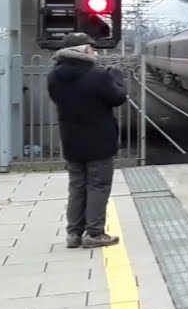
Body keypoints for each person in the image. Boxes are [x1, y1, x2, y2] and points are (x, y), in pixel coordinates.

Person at [47, 32, 128, 249]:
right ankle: (94, 233)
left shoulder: (53, 76)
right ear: (83, 50)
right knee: (98, 186)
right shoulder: (98, 76)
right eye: (92, 48)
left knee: (77, 186)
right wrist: (117, 79)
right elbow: (118, 98)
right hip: (99, 140)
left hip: (71, 140)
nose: (95, 52)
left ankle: (73, 233)